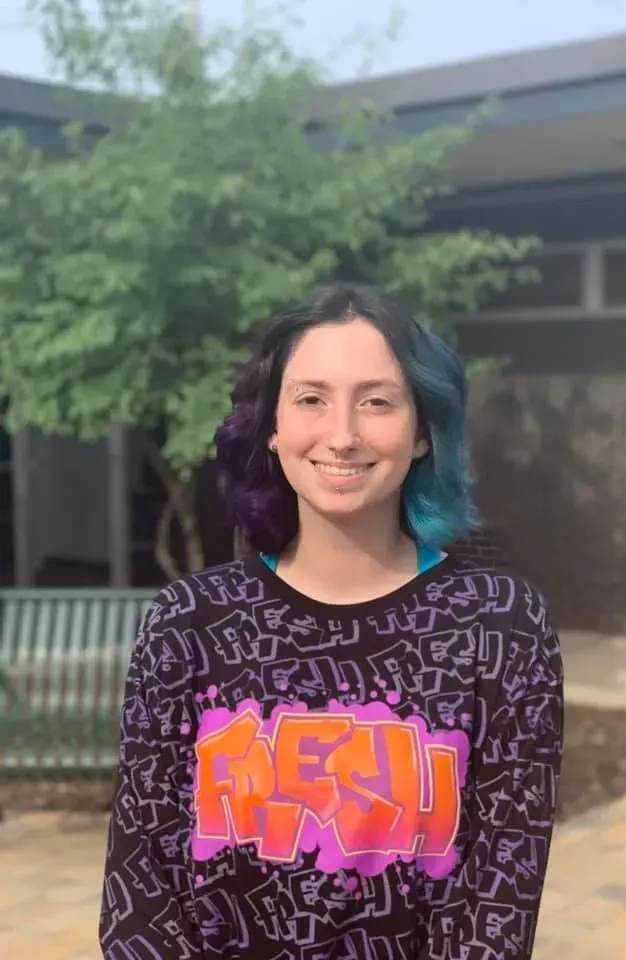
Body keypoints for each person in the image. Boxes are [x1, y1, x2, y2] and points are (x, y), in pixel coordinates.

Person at [99, 284, 564, 960]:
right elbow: (139, 894)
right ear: (272, 426)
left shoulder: (500, 627)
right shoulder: (189, 624)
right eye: (311, 399)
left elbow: (496, 907)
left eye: (376, 401)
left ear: (423, 430)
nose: (342, 436)